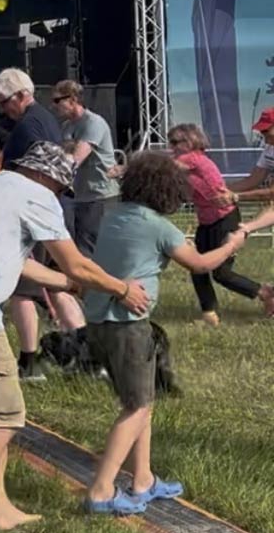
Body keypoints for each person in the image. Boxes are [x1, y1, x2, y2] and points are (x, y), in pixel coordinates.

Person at [0, 141, 149, 533]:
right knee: (4, 418)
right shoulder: (37, 195)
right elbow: (74, 261)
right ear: (46, 177)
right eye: (60, 187)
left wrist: (68, 285)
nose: (59, 195)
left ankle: (0, 507)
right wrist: (120, 288)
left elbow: (18, 259)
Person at [83, 152, 247, 515]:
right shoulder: (160, 226)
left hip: (99, 320)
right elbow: (201, 264)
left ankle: (143, 480)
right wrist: (232, 245)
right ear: (167, 191)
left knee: (144, 402)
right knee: (137, 407)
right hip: (128, 326)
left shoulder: (113, 215)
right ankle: (101, 490)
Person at [0, 68, 82, 382]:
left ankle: (29, 364)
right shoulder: (43, 119)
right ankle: (88, 354)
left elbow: (34, 176)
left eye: (3, 103)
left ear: (21, 96)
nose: (2, 111)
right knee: (59, 285)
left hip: (36, 215)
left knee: (23, 291)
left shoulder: (30, 126)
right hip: (54, 211)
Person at [168, 123, 265, 324]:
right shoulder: (187, 161)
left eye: (177, 142)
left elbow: (163, 166)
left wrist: (129, 167)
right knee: (196, 266)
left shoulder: (193, 158)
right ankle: (209, 313)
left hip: (224, 219)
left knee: (221, 273)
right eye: (171, 142)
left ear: (190, 141)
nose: (172, 147)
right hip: (207, 221)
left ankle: (265, 293)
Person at [51, 79, 121, 255]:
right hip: (81, 195)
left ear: (73, 100)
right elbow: (63, 154)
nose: (54, 106)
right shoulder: (67, 126)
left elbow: (75, 159)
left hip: (101, 194)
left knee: (91, 248)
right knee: (81, 244)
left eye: (57, 101)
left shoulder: (93, 123)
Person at [217, 107, 274, 205]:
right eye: (262, 133)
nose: (265, 140)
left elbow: (271, 193)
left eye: (266, 132)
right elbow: (253, 180)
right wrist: (222, 190)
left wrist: (236, 196)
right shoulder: (270, 148)